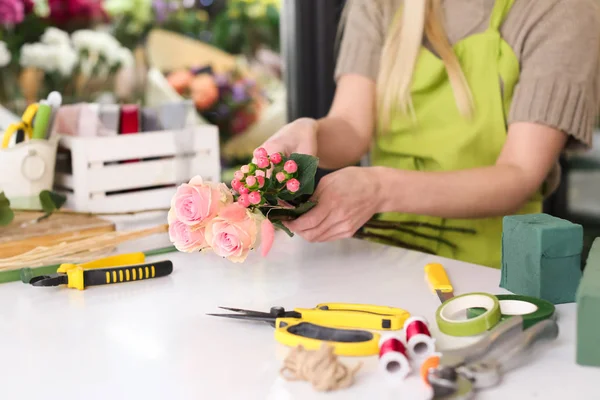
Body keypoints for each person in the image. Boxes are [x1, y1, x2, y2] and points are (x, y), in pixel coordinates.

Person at [260, 0, 600, 269]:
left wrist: (379, 189)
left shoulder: (563, 9)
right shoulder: (380, 5)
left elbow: (519, 174)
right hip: (380, 260)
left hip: (501, 270)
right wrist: (310, 132)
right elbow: (350, 127)